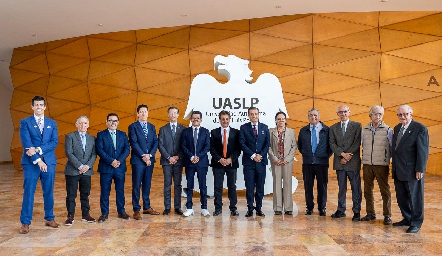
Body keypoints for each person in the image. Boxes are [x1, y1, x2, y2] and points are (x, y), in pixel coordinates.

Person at [19, 96, 60, 234]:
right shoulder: (25, 122)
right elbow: (26, 143)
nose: (39, 107)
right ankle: (25, 222)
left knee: (49, 191)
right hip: (31, 164)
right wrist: (38, 160)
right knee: (29, 192)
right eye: (36, 105)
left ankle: (49, 218)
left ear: (45, 107)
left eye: (41, 105)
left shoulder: (52, 123)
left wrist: (38, 150)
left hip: (49, 162)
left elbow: (54, 142)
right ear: (32, 107)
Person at [392, 105, 429, 233]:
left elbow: (423, 151)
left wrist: (420, 169)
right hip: (398, 169)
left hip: (413, 171)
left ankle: (416, 222)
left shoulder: (419, 128)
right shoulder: (397, 128)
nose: (402, 117)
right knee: (402, 197)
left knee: (415, 198)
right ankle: (407, 218)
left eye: (405, 114)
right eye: (400, 115)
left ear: (411, 114)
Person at [329, 105, 362, 221]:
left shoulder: (357, 126)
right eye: (340, 112)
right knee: (341, 188)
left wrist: (347, 157)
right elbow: (332, 144)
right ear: (337, 114)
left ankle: (357, 211)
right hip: (340, 162)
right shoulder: (333, 128)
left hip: (353, 162)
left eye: (345, 112)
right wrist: (342, 155)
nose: (343, 114)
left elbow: (357, 142)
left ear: (349, 112)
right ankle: (341, 210)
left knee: (356, 188)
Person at [360, 106, 393, 225]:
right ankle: (370, 213)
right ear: (370, 115)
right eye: (375, 114)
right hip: (368, 164)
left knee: (385, 190)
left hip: (381, 165)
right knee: (367, 190)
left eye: (380, 114)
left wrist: (388, 160)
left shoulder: (388, 129)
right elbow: (362, 145)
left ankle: (387, 215)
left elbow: (391, 148)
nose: (377, 116)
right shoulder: (365, 129)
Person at [96, 113, 131, 222]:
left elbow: (127, 150)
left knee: (120, 191)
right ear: (106, 122)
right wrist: (111, 161)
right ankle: (104, 213)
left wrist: (118, 161)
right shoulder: (101, 135)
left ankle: (121, 211)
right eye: (110, 120)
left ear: (118, 122)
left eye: (115, 121)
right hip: (106, 168)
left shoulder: (123, 134)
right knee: (105, 191)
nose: (113, 123)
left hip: (119, 168)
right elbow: (100, 150)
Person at [298, 108, 332, 217]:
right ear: (308, 117)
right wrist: (307, 154)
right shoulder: (303, 130)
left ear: (319, 116)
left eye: (315, 115)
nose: (313, 117)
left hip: (322, 163)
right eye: (311, 115)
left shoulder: (327, 130)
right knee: (308, 186)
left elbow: (330, 146)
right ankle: (309, 207)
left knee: (322, 186)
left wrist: (325, 156)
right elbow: (300, 146)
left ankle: (322, 208)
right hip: (308, 162)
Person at [64, 116, 97, 226]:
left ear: (88, 125)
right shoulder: (70, 136)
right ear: (76, 124)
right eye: (80, 123)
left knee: (85, 194)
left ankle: (85, 215)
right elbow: (69, 153)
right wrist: (79, 166)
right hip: (73, 171)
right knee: (71, 194)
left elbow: (93, 154)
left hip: (87, 171)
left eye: (85, 123)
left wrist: (87, 166)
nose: (83, 125)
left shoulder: (92, 138)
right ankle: (70, 216)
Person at [128, 104, 159, 220]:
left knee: (147, 183)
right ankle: (136, 209)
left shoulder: (152, 127)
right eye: (141, 112)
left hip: (149, 160)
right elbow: (134, 143)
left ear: (148, 113)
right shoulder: (133, 127)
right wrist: (143, 156)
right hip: (138, 160)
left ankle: (147, 207)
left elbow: (155, 142)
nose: (143, 113)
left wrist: (150, 155)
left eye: (145, 111)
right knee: (136, 184)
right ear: (137, 114)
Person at [240, 107, 270, 217]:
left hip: (261, 162)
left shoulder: (265, 127)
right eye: (252, 114)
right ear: (248, 115)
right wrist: (253, 155)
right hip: (249, 163)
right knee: (250, 187)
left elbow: (267, 144)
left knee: (260, 187)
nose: (254, 116)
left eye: (256, 114)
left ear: (259, 114)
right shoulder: (244, 128)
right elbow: (242, 144)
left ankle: (259, 208)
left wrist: (260, 155)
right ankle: (250, 209)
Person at [210, 110, 241, 217]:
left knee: (232, 186)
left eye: (227, 119)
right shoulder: (214, 132)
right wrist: (219, 159)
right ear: (219, 120)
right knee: (218, 187)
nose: (225, 121)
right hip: (218, 164)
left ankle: (233, 208)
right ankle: (218, 208)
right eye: (223, 119)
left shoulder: (236, 132)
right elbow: (212, 148)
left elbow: (238, 149)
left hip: (231, 164)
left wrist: (230, 159)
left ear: (229, 119)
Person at [181, 111, 211, 217]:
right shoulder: (186, 132)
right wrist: (191, 156)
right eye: (193, 118)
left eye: (197, 118)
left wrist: (198, 156)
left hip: (201, 163)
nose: (195, 120)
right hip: (189, 162)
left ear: (201, 120)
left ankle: (204, 208)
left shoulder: (206, 132)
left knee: (203, 186)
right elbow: (183, 146)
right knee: (189, 186)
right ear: (191, 120)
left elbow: (207, 147)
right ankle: (189, 208)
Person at [268, 111, 297, 215]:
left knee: (287, 183)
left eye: (283, 118)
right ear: (276, 120)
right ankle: (278, 208)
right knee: (277, 184)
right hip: (276, 161)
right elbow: (268, 147)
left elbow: (294, 146)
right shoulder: (270, 131)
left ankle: (288, 208)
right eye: (279, 119)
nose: (281, 120)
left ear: (285, 120)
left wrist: (287, 159)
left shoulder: (291, 131)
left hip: (287, 162)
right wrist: (274, 158)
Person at [158, 106, 185, 215]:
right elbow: (160, 145)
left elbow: (184, 145)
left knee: (178, 185)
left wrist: (177, 157)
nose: (173, 115)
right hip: (166, 162)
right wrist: (169, 157)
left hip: (179, 161)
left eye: (175, 113)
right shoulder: (163, 129)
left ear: (178, 115)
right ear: (168, 115)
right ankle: (167, 207)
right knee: (167, 184)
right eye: (171, 113)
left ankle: (177, 207)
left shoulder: (183, 129)